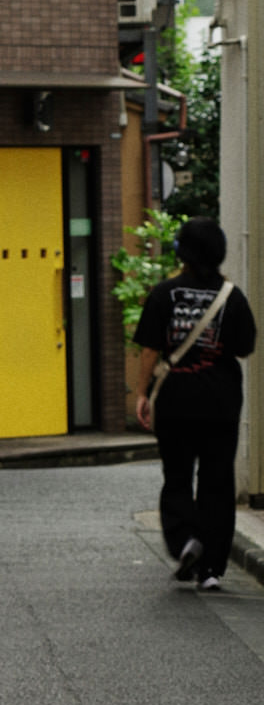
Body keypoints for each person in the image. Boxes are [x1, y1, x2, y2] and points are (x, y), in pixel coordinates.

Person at [133, 218, 256, 591]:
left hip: (176, 398)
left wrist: (142, 393)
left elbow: (150, 349)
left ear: (182, 252)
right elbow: (244, 348)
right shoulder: (232, 296)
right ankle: (212, 569)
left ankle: (186, 540)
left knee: (177, 475)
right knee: (217, 480)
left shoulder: (164, 293)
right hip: (221, 399)